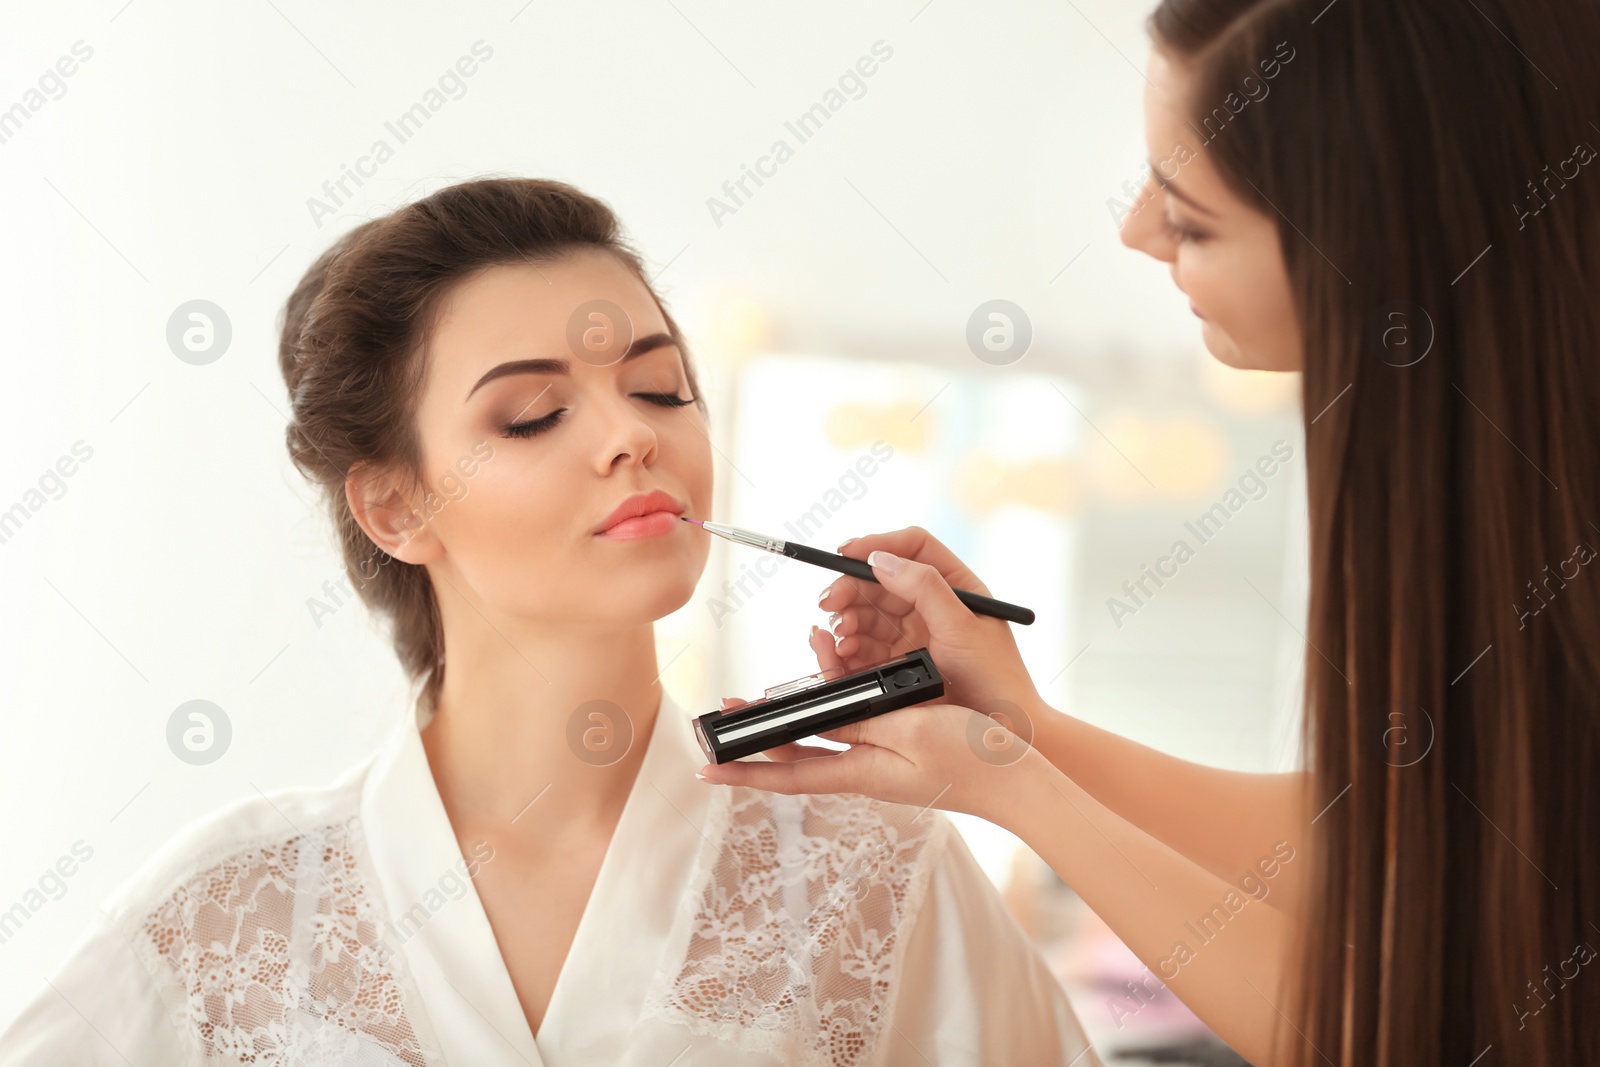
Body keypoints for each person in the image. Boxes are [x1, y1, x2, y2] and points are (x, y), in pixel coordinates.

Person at [0, 179, 1099, 1066]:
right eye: (533, 414)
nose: (630, 434)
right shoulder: (223, 917)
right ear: (395, 504)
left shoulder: (881, 868)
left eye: (662, 389)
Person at [700, 1, 1600, 1064]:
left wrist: (1008, 782)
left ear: (1377, 240)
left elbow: (1408, 1025)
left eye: (1194, 218)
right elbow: (1410, 844)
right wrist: (1021, 729)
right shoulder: (1482, 485)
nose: (1135, 233)